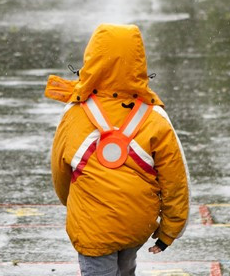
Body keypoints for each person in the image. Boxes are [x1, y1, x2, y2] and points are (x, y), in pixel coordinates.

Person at [44, 24, 189, 276]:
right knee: (126, 267)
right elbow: (175, 180)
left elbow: (60, 173)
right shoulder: (154, 117)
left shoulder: (75, 114)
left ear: (92, 60)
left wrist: (76, 204)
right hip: (137, 223)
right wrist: (169, 230)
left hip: (92, 224)